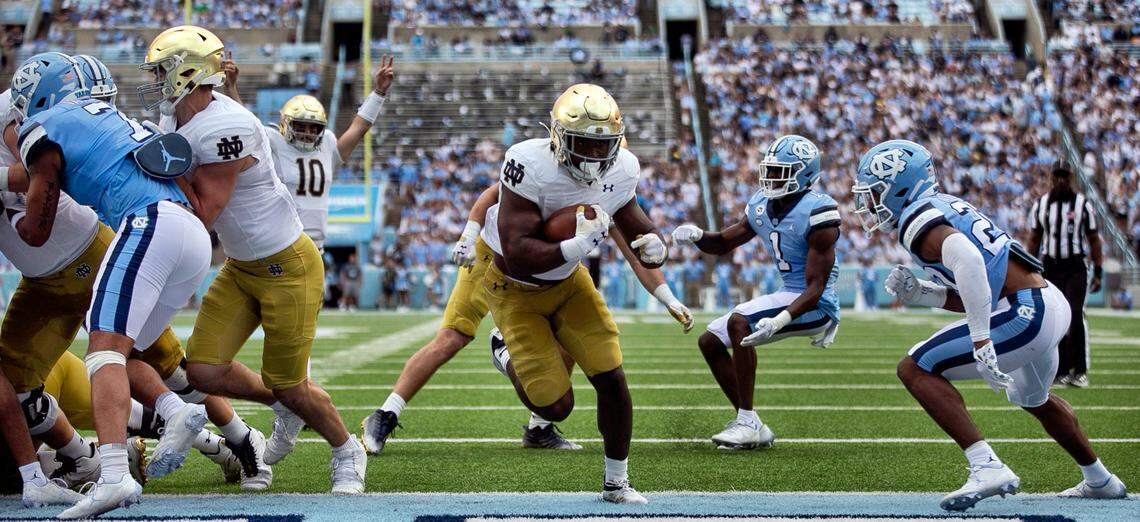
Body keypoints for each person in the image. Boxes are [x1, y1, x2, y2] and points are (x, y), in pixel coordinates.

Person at [140, 25, 365, 494]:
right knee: (201, 371)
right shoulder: (176, 120)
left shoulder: (228, 127)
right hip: (243, 268)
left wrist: (160, 169)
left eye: (163, 70)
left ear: (187, 73)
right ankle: (286, 407)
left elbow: (202, 212)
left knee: (289, 382)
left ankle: (347, 449)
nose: (157, 79)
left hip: (288, 266)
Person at [852, 139, 1127, 511]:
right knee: (1034, 399)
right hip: (1046, 301)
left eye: (876, 193)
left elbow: (969, 262)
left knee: (914, 367)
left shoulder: (917, 217)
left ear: (902, 185)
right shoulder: (944, 204)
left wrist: (982, 339)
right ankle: (1100, 480)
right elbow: (979, 285)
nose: (869, 204)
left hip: (1025, 311)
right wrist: (926, 294)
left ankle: (986, 466)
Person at [10, 52, 212, 518]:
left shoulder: (42, 125)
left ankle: (116, 474)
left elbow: (37, 230)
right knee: (128, 352)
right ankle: (176, 412)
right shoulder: (106, 116)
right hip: (190, 233)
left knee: (101, 351)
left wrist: (17, 221)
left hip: (148, 223)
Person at [361, 182, 692, 454]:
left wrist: (668, 297)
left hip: (549, 268)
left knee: (569, 328)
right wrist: (468, 235)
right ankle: (387, 412)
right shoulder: (549, 165)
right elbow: (493, 193)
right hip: (495, 256)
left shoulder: (611, 185)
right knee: (453, 336)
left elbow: (635, 254)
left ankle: (539, 428)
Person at [482, 84, 665, 504]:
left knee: (612, 376)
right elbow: (518, 249)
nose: (595, 157)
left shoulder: (623, 168)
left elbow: (630, 216)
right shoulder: (528, 163)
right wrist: (576, 247)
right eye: (585, 144)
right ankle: (503, 351)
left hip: (568, 283)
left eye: (604, 146)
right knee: (553, 407)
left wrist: (655, 243)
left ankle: (616, 482)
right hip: (515, 288)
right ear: (559, 137)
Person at [672, 135, 840, 450]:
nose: (772, 178)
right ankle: (753, 424)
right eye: (770, 170)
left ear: (803, 175)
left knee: (739, 322)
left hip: (815, 304)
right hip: (789, 294)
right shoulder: (762, 204)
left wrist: (781, 319)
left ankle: (747, 422)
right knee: (710, 341)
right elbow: (723, 242)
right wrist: (698, 236)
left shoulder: (819, 211)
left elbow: (817, 287)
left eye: (781, 172)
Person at [222, 53, 395, 253]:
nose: (307, 132)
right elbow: (246, 124)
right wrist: (231, 87)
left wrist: (379, 92)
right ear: (285, 123)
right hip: (281, 243)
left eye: (313, 128)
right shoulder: (274, 140)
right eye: (301, 125)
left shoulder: (327, 143)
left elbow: (359, 128)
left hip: (316, 246)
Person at [1026, 161, 1102, 387]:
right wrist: (1028, 265)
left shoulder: (1082, 204)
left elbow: (1094, 239)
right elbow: (1034, 238)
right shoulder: (1041, 204)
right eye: (1057, 176)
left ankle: (1080, 370)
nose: (1061, 180)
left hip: (1075, 265)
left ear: (1071, 178)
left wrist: (1098, 270)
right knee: (1055, 316)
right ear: (1051, 178)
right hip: (1050, 265)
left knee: (1076, 314)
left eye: (1065, 176)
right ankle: (1059, 371)